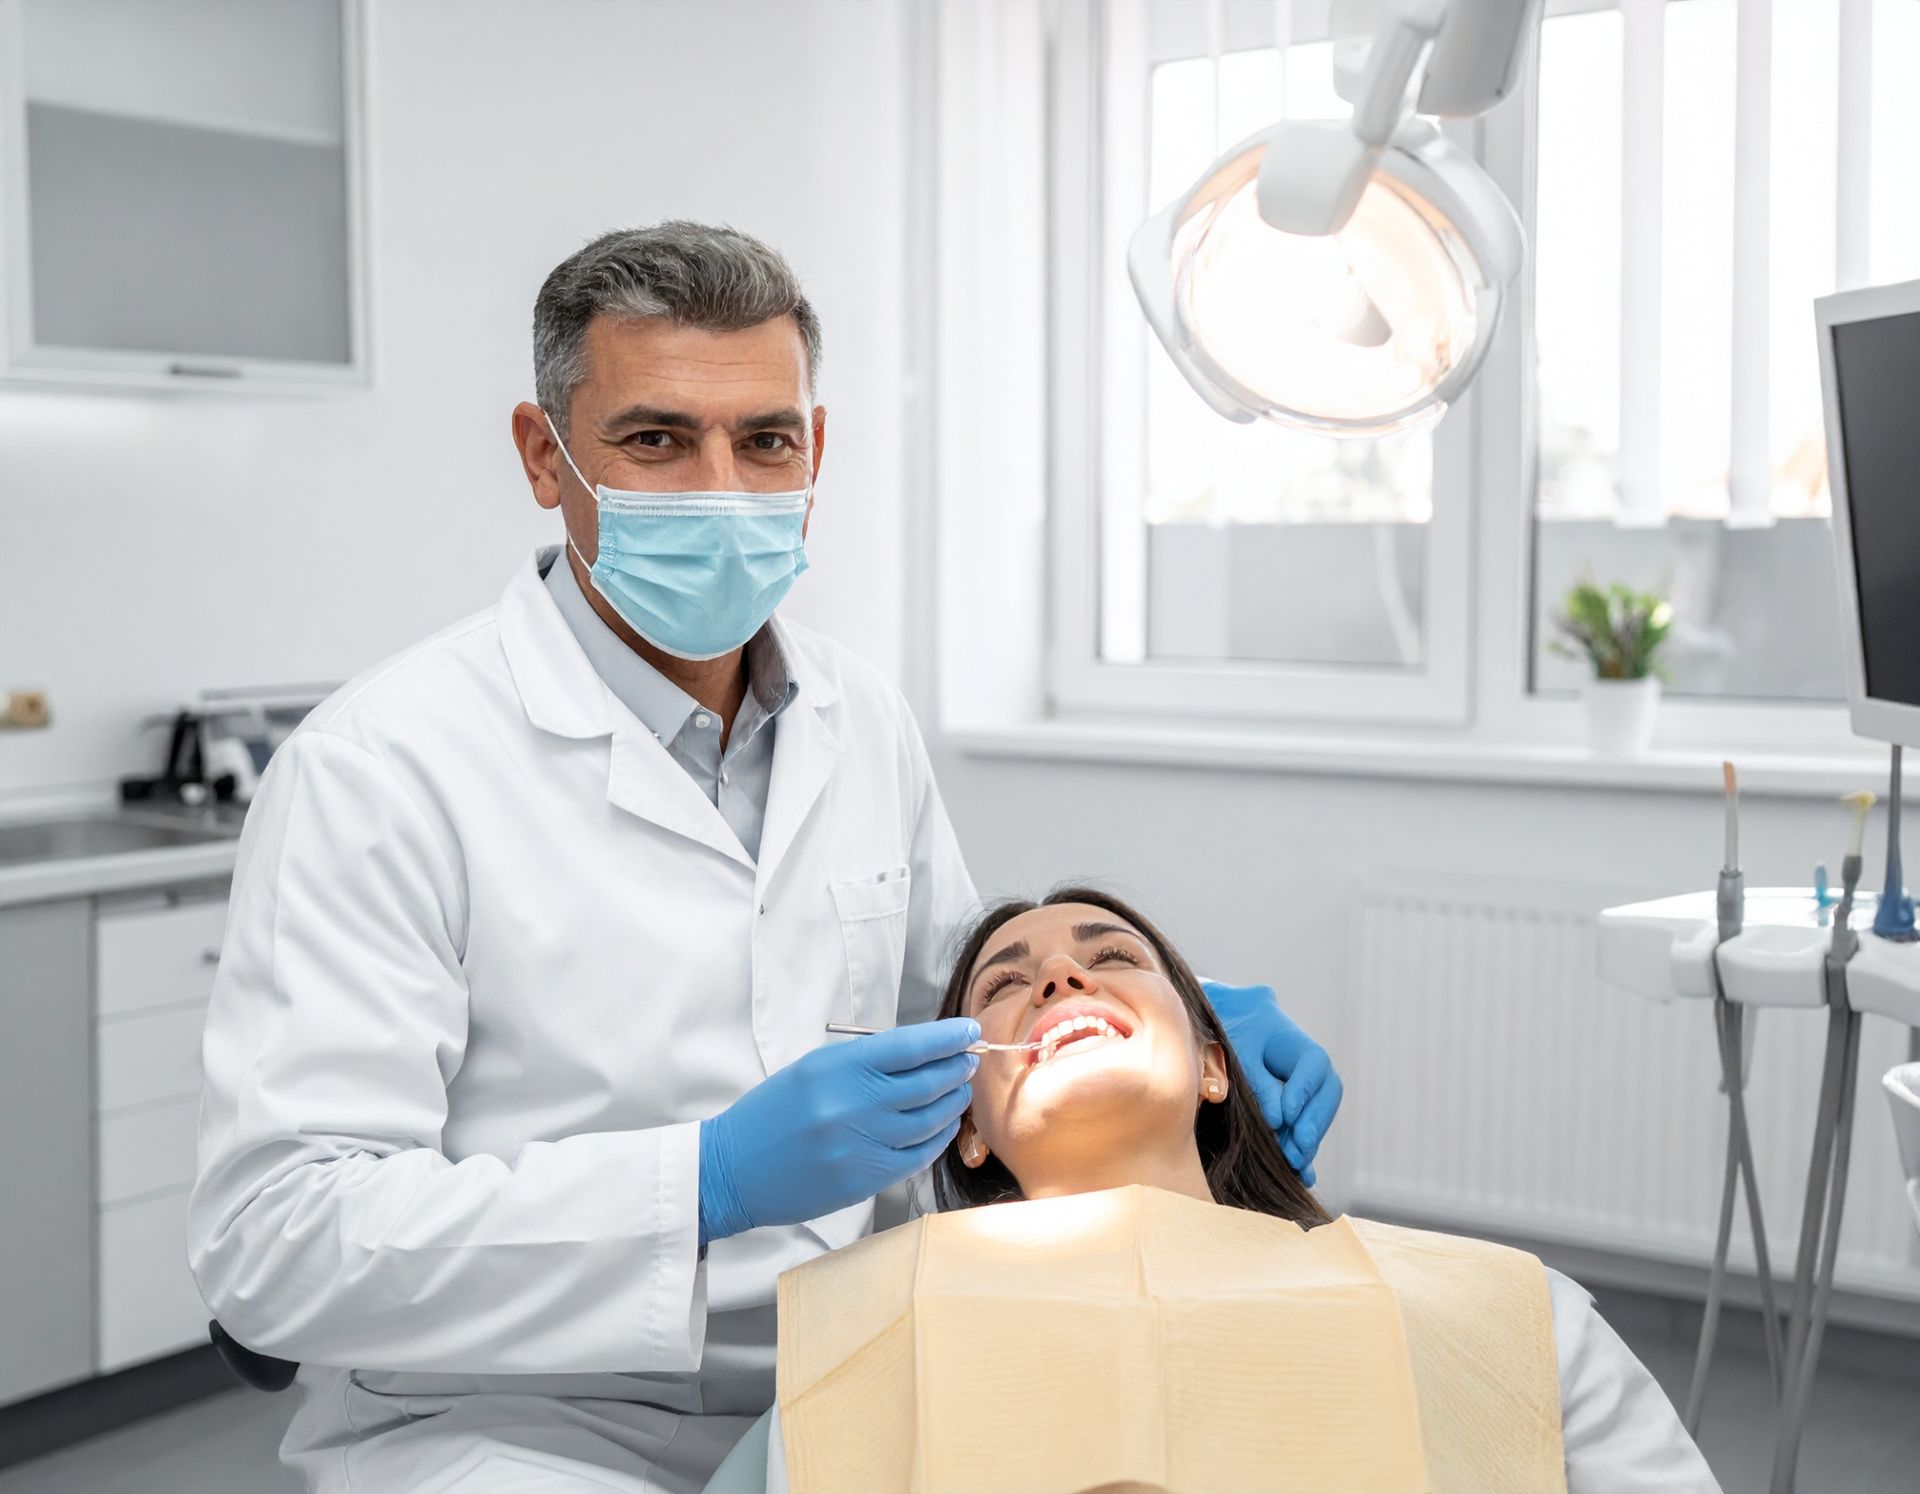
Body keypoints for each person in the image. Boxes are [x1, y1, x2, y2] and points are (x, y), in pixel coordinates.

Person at [187, 223, 1343, 1494]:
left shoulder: (860, 718)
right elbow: (274, 1249)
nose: (723, 489)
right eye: (656, 440)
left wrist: (1167, 1012)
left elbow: (959, 1022)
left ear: (816, 448)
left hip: (852, 1362)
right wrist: (703, 1184)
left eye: (766, 440)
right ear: (543, 454)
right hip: (510, 1418)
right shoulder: (379, 768)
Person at [739, 888, 1720, 1494]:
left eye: (1112, 958)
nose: (1062, 977)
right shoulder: (858, 1345)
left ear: (1216, 1064)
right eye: (1008, 982)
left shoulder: (1510, 1315)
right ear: (968, 1128)